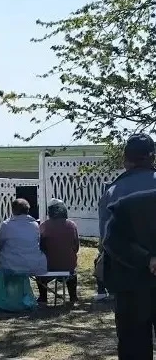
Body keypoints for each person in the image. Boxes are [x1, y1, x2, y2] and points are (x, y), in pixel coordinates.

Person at [101, 134, 156, 359]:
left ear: (125, 160)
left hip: (129, 284)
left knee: (134, 348)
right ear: (153, 157)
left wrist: (146, 259)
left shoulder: (114, 192)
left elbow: (109, 240)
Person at [37, 199, 79, 303]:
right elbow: (76, 247)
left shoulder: (44, 226)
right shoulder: (72, 225)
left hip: (49, 266)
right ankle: (73, 297)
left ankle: (43, 297)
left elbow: (41, 248)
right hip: (68, 266)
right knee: (72, 272)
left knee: (39, 274)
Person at [0, 198, 47, 275]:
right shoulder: (35, 225)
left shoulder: (7, 225)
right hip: (33, 265)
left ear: (13, 210)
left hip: (11, 265)